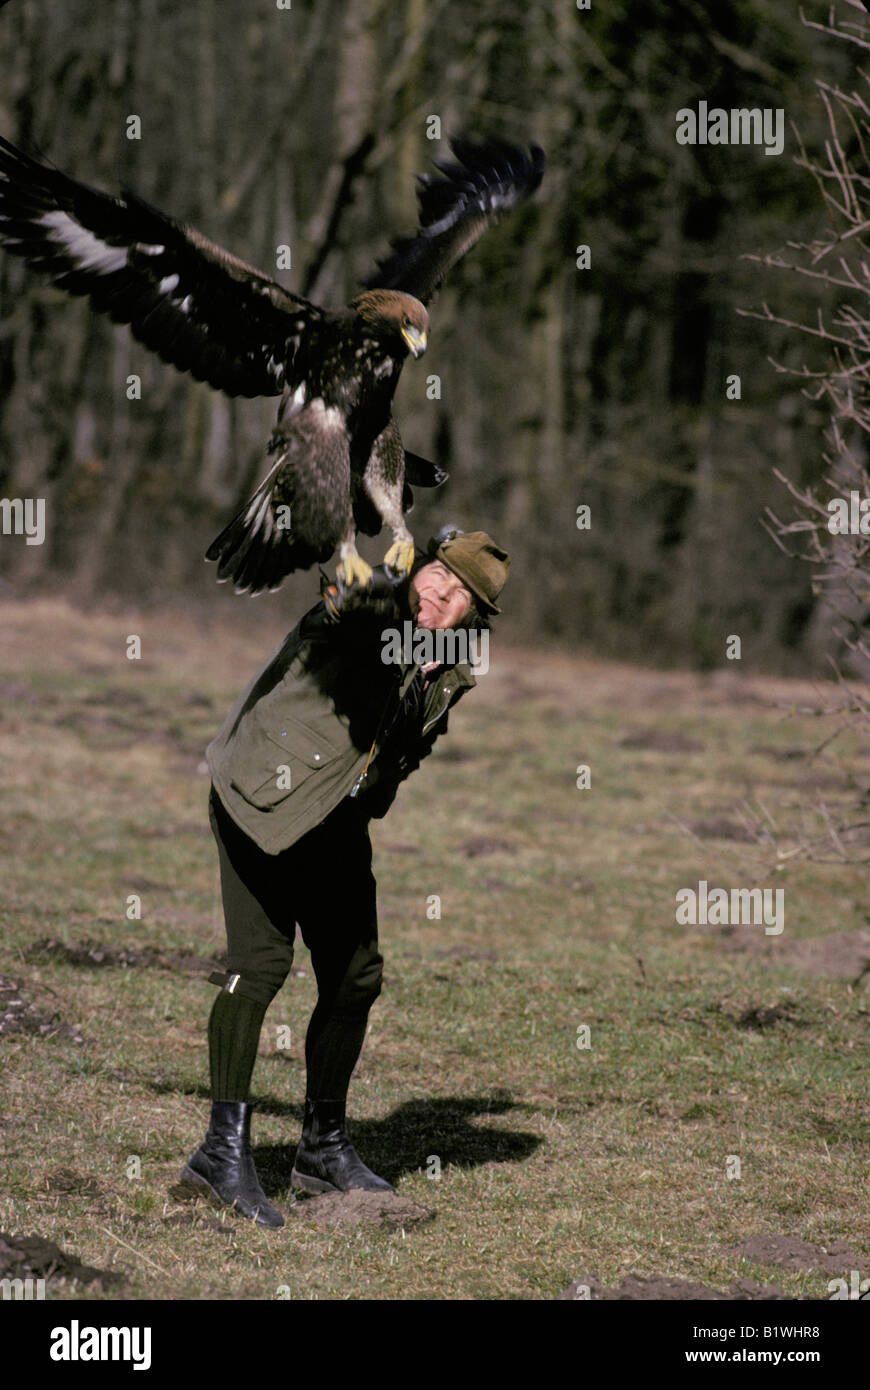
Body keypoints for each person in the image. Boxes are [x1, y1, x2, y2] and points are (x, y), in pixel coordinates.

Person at [178, 528, 510, 1227]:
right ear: (418, 566)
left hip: (331, 816)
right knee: (260, 967)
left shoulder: (448, 664)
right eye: (437, 577)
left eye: (459, 597)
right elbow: (343, 596)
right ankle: (219, 1155)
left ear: (472, 618)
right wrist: (362, 581)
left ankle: (321, 1150)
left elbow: (411, 744)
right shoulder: (376, 605)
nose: (439, 596)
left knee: (356, 975)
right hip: (261, 798)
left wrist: (379, 788)